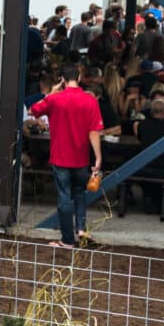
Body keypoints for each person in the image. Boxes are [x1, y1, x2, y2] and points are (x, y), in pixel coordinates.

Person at [25, 65, 103, 250]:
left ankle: (67, 239)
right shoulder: (90, 100)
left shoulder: (55, 99)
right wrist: (98, 157)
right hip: (81, 156)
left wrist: (51, 93)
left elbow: (31, 111)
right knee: (80, 193)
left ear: (62, 79)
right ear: (80, 76)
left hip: (60, 156)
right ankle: (81, 228)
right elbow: (94, 131)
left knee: (64, 196)